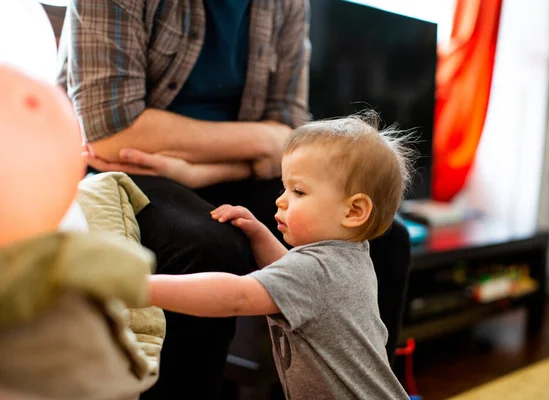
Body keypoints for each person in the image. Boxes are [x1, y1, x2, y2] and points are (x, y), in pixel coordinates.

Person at [58, 1, 310, 398]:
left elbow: (292, 135)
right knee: (209, 244)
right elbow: (112, 131)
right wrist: (263, 139)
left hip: (222, 168)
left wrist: (196, 172)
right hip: (127, 168)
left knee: (375, 240)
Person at [148, 114, 412, 400]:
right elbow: (290, 277)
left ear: (353, 211)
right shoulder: (349, 257)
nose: (280, 200)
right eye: (284, 187)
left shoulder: (319, 272)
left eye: (298, 191)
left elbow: (237, 295)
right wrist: (259, 234)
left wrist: (141, 287)